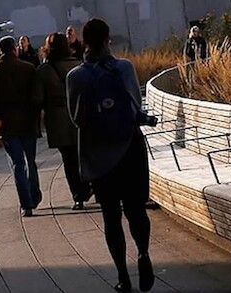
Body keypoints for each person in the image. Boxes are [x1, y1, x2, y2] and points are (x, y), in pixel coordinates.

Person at [67, 18, 154, 293]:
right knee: (136, 209)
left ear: (84, 42)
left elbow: (76, 119)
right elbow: (135, 106)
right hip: (130, 149)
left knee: (111, 216)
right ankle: (143, 253)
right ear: (108, 39)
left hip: (99, 155)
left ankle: (122, 277)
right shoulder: (125, 68)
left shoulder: (75, 77)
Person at [0, 36, 44, 217]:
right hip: (28, 123)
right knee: (30, 161)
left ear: (0, 51)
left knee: (17, 164)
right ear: (15, 49)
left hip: (7, 125)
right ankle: (34, 195)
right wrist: (35, 114)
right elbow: (37, 96)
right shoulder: (29, 69)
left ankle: (26, 204)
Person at [37, 32, 92, 211]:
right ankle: (91, 186)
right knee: (84, 154)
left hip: (58, 118)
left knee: (68, 159)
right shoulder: (78, 64)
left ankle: (78, 196)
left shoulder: (44, 70)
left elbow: (38, 97)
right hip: (80, 114)